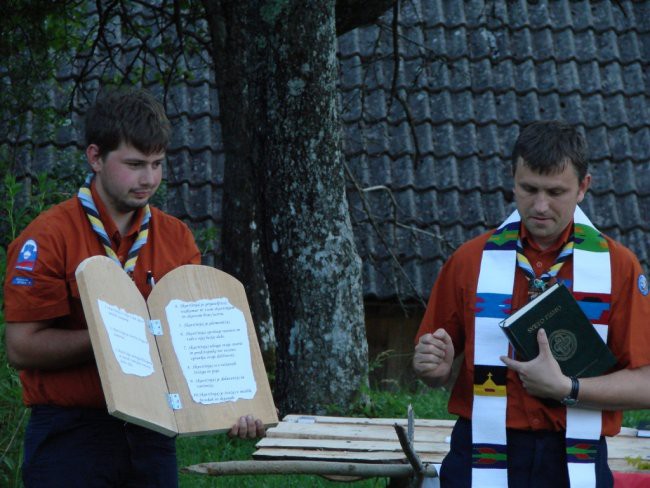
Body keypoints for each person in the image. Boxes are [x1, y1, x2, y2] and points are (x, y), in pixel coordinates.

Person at [4, 88, 266, 488]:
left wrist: (234, 406)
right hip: (71, 434)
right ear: (95, 157)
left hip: (154, 434)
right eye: (134, 164)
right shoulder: (47, 238)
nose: (148, 179)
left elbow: (193, 346)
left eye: (157, 164)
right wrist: (112, 337)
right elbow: (22, 347)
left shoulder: (176, 239)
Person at [413, 120, 650, 487]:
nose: (540, 206)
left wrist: (569, 389)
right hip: (480, 449)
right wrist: (432, 367)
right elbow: (434, 371)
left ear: (583, 187)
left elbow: (645, 384)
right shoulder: (469, 260)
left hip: (573, 459)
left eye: (556, 191)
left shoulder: (618, 266)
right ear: (512, 179)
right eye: (528, 189)